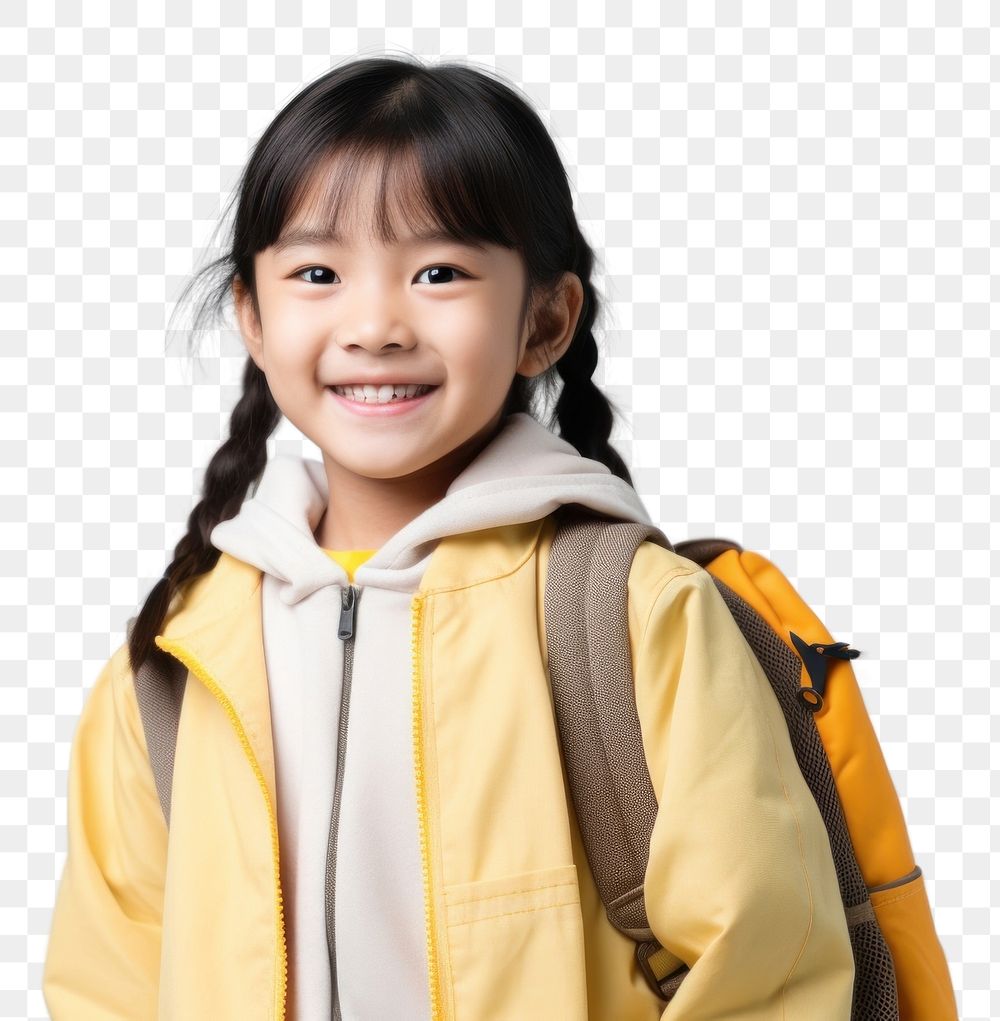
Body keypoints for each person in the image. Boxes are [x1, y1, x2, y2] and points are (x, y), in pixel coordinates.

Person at [43, 54, 856, 1020]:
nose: (376, 323)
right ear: (252, 318)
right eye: (317, 272)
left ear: (544, 321)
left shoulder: (631, 614)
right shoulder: (176, 662)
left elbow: (770, 974)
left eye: (439, 271)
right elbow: (111, 987)